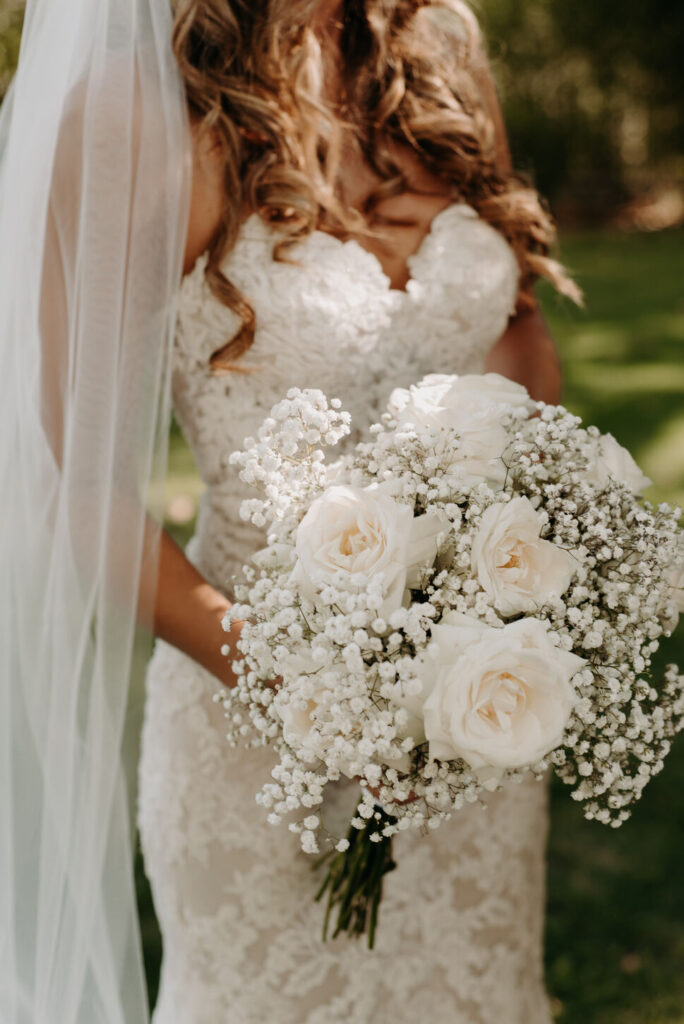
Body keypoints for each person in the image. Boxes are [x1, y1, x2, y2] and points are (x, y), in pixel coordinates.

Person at [0, 1, 578, 1021]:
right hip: (253, 730)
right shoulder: (131, 113)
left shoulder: (437, 45)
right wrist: (310, 694)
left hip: (474, 709)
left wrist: (497, 577)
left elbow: (515, 328)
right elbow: (73, 485)